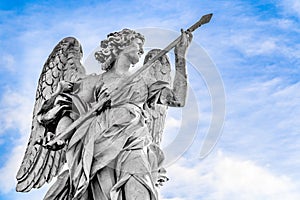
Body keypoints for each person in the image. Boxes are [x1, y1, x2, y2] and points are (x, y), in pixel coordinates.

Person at [42, 28, 192, 200]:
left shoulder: (145, 79)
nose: (142, 50)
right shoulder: (94, 81)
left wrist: (181, 57)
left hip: (134, 141)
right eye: (138, 44)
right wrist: (61, 136)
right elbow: (69, 111)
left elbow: (177, 100)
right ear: (122, 45)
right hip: (100, 142)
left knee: (141, 189)